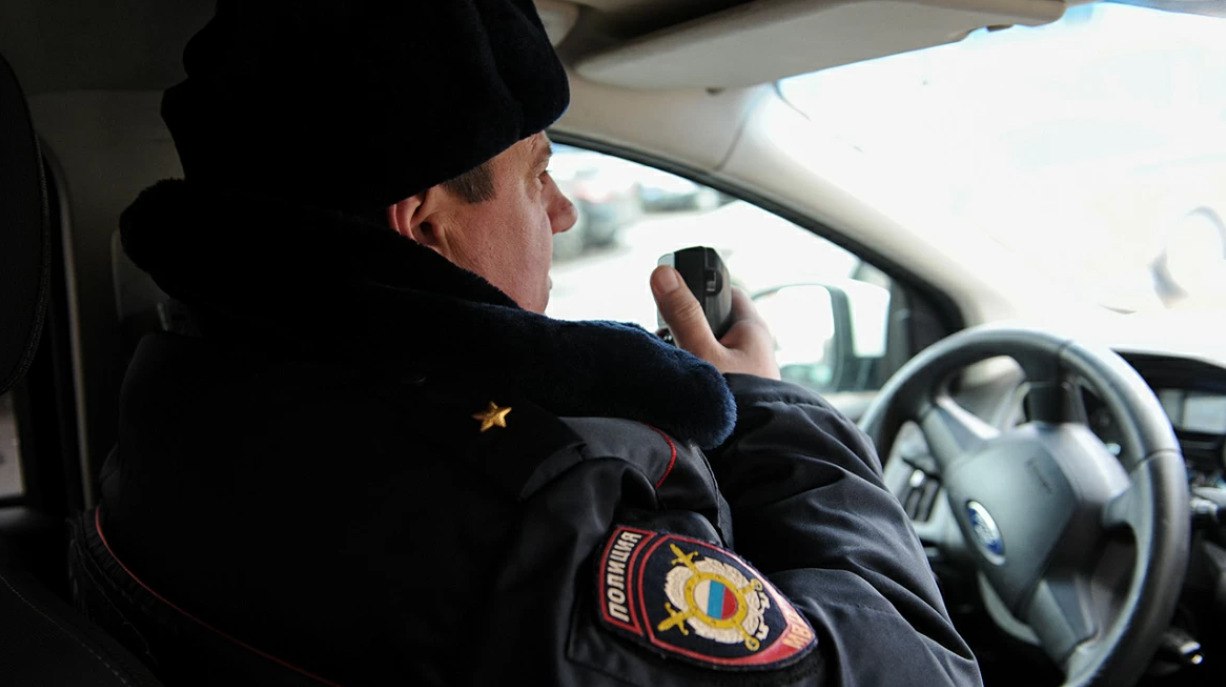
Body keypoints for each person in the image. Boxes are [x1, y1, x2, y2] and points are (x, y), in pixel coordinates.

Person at [72, 1, 984, 685]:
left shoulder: (177, 394)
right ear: (425, 225)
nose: (564, 209)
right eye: (537, 172)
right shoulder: (544, 514)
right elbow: (920, 667)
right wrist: (774, 411)